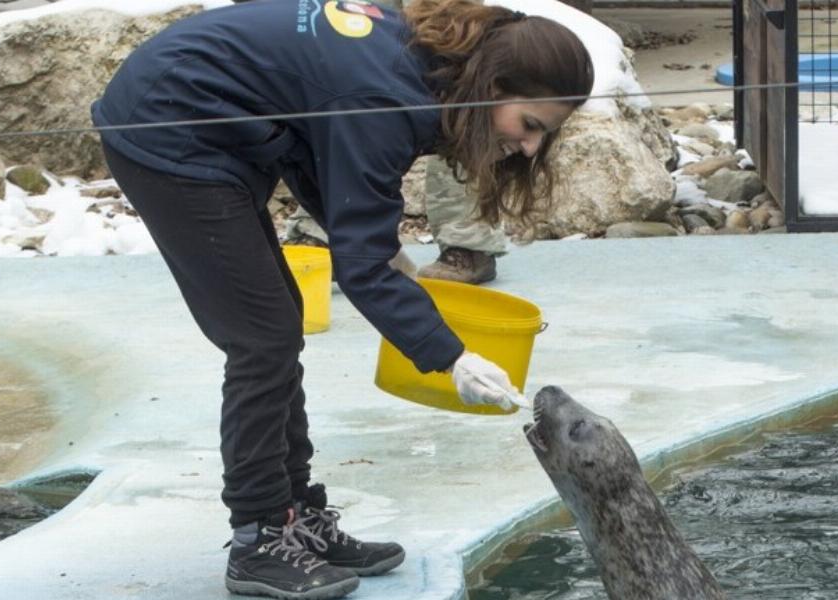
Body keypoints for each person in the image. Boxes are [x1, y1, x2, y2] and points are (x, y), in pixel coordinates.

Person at [90, 0, 594, 598]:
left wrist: (389, 258)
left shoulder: (429, 67)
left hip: (220, 123)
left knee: (278, 325)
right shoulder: (387, 96)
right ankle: (259, 539)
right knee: (262, 337)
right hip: (170, 128)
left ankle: (293, 517)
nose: (532, 148)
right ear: (492, 86)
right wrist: (451, 355)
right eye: (530, 124)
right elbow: (358, 264)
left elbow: (323, 153)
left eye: (545, 134)